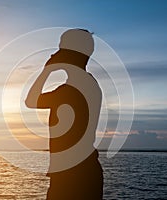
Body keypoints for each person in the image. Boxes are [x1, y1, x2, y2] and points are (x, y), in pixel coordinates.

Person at [25, 29, 103, 199]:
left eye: (60, 48)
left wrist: (47, 71)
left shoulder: (68, 91)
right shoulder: (91, 84)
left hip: (70, 176)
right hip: (86, 171)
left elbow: (31, 101)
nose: (55, 53)